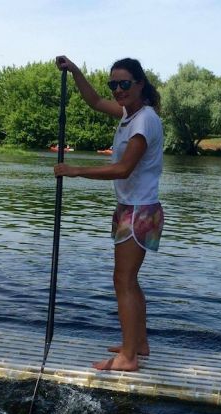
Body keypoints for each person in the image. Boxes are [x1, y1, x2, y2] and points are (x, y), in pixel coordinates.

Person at [54, 56, 164, 372]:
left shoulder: (143, 121)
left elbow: (123, 168)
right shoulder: (131, 115)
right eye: (113, 84)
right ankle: (138, 343)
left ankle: (128, 358)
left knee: (123, 280)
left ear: (140, 83)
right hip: (133, 209)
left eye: (124, 83)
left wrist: (75, 171)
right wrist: (75, 70)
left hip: (138, 211)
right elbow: (94, 101)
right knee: (130, 280)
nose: (117, 90)